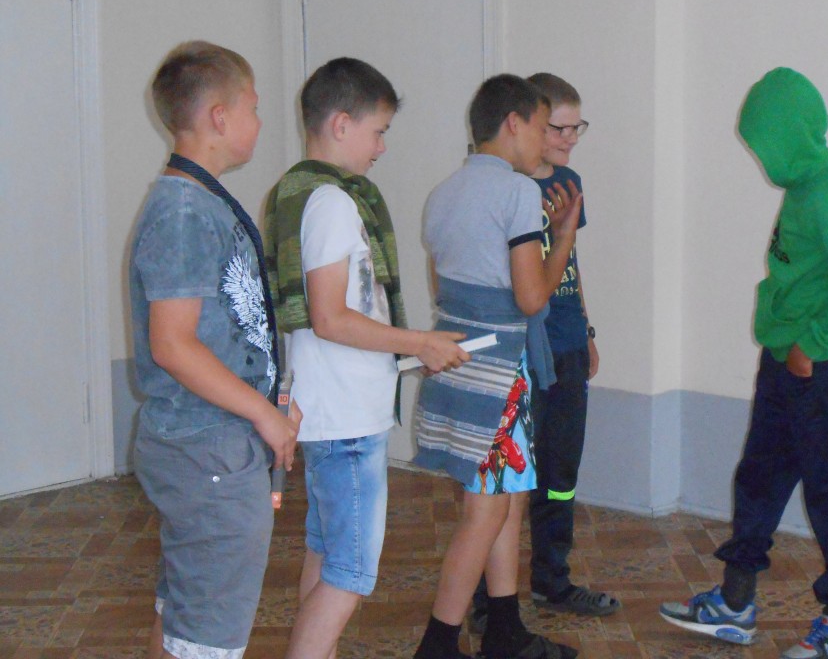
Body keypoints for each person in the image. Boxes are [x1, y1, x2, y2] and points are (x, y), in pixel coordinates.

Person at [659, 67, 828, 659]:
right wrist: (788, 347)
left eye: (765, 146)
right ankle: (735, 604)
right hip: (787, 357)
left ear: (792, 136)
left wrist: (812, 346)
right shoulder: (803, 184)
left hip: (820, 364)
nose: (761, 159)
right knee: (760, 476)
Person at [263, 57, 469, 659]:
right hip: (345, 416)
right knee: (351, 573)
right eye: (378, 132)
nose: (381, 148)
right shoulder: (331, 201)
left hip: (335, 406)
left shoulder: (303, 192)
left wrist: (405, 353)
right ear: (341, 124)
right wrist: (419, 342)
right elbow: (329, 317)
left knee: (327, 553)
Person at [130, 40, 302, 659]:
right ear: (220, 118)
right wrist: (262, 414)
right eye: (253, 107)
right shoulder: (183, 212)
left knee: (185, 613)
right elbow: (173, 346)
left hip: (215, 441)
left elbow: (224, 330)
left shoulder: (199, 202)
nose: (260, 120)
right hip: (207, 447)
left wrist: (268, 398)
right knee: (206, 635)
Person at [411, 74, 583, 659]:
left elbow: (442, 287)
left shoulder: (443, 193)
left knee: (503, 498)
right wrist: (563, 236)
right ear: (514, 123)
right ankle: (438, 643)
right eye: (540, 127)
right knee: (483, 514)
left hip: (458, 364)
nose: (545, 142)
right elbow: (531, 298)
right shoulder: (517, 193)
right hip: (500, 375)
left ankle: (504, 628)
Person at [470, 73, 617, 630]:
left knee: (560, 471)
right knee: (505, 479)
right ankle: (487, 598)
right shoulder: (505, 189)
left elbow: (569, 263)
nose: (568, 138)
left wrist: (587, 329)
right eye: (557, 128)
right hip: (520, 353)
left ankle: (553, 579)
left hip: (568, 345)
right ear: (529, 124)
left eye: (577, 127)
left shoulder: (570, 182)